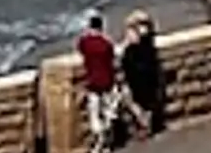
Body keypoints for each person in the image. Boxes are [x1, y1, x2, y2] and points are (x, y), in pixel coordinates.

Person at [117, 12, 172, 137]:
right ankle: (147, 121)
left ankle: (144, 122)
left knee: (135, 100)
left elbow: (125, 59)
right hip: (146, 76)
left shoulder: (132, 49)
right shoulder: (149, 46)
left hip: (138, 77)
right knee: (146, 101)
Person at [73, 10, 123, 145]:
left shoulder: (85, 42)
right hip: (107, 81)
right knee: (109, 112)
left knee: (94, 113)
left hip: (93, 82)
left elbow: (80, 49)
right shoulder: (106, 44)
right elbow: (112, 58)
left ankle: (98, 137)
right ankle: (108, 139)